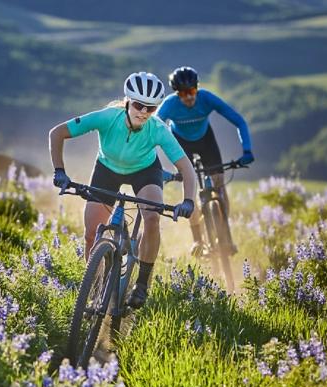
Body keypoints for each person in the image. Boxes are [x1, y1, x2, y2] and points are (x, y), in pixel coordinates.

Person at [49, 71, 197, 309]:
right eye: (139, 105)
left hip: (145, 171)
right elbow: (57, 133)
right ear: (128, 101)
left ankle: (142, 284)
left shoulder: (158, 129)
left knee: (151, 218)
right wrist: (59, 171)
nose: (143, 113)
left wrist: (188, 200)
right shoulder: (108, 117)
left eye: (151, 108)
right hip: (107, 169)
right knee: (91, 233)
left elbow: (187, 169)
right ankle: (95, 288)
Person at [157, 66, 254, 256]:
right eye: (183, 93)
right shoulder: (169, 104)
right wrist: (154, 164)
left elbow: (239, 121)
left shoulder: (207, 98)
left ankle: (226, 236)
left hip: (205, 141)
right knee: (190, 191)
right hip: (181, 142)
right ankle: (198, 241)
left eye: (192, 91)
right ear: (177, 94)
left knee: (219, 183)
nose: (189, 97)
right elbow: (151, 130)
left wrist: (247, 149)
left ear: (197, 88)